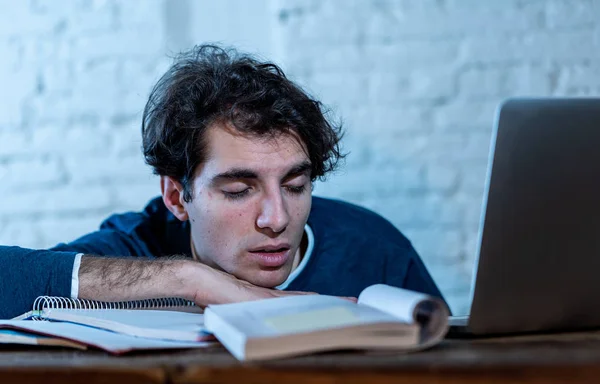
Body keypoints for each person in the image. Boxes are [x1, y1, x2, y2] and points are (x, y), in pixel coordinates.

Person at [0, 45, 445, 319]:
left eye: (295, 185)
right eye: (238, 190)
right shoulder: (137, 244)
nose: (277, 219)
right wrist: (189, 278)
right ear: (177, 196)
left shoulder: (374, 249)